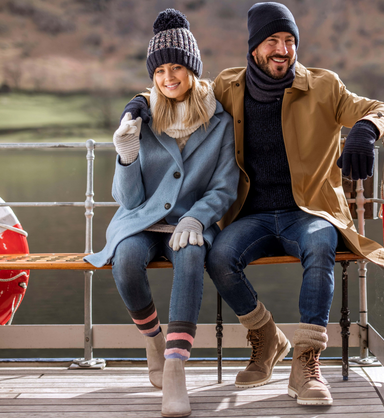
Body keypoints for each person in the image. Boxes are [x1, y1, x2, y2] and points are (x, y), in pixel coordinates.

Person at [122, 2, 384, 407]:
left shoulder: (325, 86)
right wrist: (136, 105)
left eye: (289, 41)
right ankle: (267, 337)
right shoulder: (227, 87)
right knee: (218, 256)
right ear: (254, 47)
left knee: (321, 246)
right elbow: (176, 84)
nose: (282, 49)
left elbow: (383, 109)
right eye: (272, 40)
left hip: (309, 212)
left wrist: (365, 130)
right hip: (251, 215)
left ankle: (306, 364)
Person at [85, 9, 239, 418]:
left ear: (192, 69)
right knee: (127, 260)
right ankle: (153, 339)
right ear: (152, 75)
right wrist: (126, 155)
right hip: (141, 221)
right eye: (160, 70)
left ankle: (175, 370)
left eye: (177, 67)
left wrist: (198, 217)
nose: (168, 77)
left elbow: (224, 186)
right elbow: (129, 201)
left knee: (191, 255)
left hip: (190, 220)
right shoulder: (141, 117)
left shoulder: (220, 121)